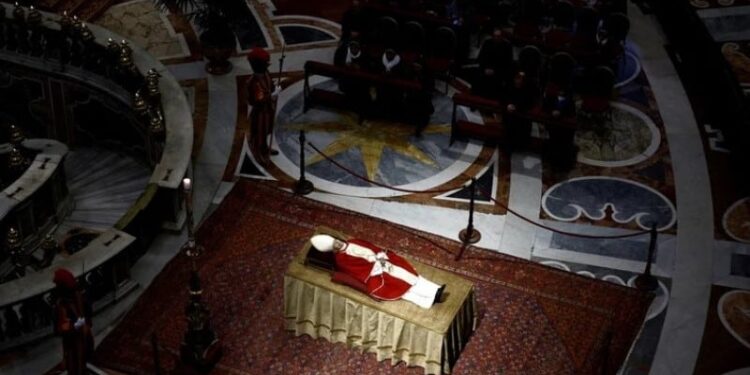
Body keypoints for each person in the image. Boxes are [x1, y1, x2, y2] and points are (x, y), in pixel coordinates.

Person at [310, 234, 446, 309]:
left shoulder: (353, 241)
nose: (338, 244)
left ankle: (435, 290)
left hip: (382, 260)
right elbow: (358, 272)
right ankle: (429, 298)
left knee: (409, 274)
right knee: (400, 282)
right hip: (374, 274)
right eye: (335, 246)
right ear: (333, 249)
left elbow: (371, 247)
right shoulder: (341, 260)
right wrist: (378, 266)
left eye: (337, 241)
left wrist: (380, 256)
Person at [53, 268, 93, 375]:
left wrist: (83, 323)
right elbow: (61, 327)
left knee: (81, 361)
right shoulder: (61, 303)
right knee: (74, 364)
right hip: (71, 340)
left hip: (81, 336)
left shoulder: (78, 296)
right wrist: (75, 326)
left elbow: (87, 313)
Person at [246, 47, 280, 166]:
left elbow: (270, 84)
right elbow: (259, 100)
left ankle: (265, 148)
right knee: (259, 135)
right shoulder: (253, 82)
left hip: (268, 110)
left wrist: (274, 88)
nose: (267, 66)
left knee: (265, 133)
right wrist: (272, 95)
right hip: (260, 113)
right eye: (265, 64)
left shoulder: (265, 73)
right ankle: (259, 154)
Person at [473, 28, 513, 99]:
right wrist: (485, 69)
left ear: (502, 37)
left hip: (499, 70)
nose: (496, 38)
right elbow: (481, 57)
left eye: (498, 36)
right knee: (477, 76)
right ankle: (476, 99)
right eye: (494, 36)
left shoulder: (507, 46)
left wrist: (495, 70)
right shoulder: (487, 42)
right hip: (486, 68)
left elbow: (507, 63)